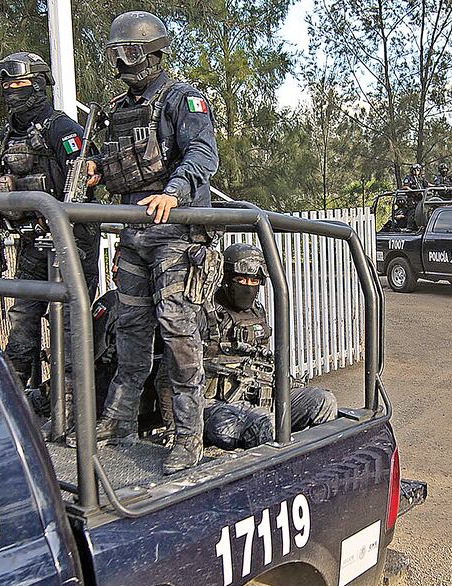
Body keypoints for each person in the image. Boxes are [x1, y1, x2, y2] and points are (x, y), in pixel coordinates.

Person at [85, 11, 221, 474]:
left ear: (152, 53)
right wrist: (98, 171)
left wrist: (174, 192)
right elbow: (120, 163)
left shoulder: (182, 100)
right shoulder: (118, 108)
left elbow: (203, 153)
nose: (122, 60)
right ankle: (118, 421)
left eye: (130, 51)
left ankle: (187, 437)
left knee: (179, 334)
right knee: (129, 334)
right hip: (134, 236)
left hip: (175, 237)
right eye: (117, 52)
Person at [0, 52, 100, 389]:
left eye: (20, 84)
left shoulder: (62, 128)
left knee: (69, 324)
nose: (12, 91)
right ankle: (16, 392)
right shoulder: (10, 136)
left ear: (38, 85)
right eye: (7, 85)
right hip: (32, 242)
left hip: (72, 242)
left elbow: (84, 181)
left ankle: (69, 398)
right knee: (22, 318)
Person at [202, 244, 337, 450]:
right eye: (241, 280)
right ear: (227, 279)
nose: (248, 286)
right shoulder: (206, 313)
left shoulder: (257, 311)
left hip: (259, 395)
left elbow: (263, 358)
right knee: (264, 425)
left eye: (254, 281)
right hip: (217, 406)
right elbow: (176, 370)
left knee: (323, 401)